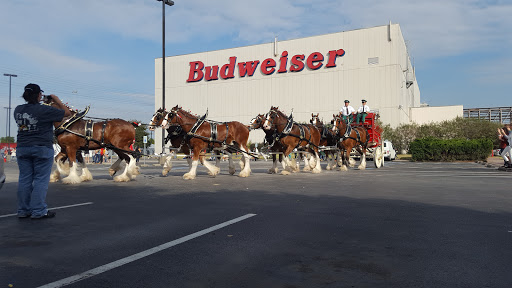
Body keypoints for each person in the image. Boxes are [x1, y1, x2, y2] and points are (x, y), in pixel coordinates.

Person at [14, 83, 71, 219]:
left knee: (24, 180)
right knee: (40, 180)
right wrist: (56, 100)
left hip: (22, 147)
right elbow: (67, 114)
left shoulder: (18, 109)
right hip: (41, 148)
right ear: (39, 95)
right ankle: (38, 210)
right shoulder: (45, 110)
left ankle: (23, 210)